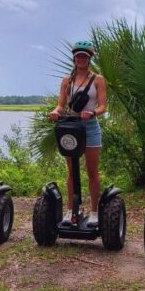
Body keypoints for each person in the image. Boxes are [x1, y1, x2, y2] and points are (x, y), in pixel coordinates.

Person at [48, 41, 108, 227]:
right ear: (74, 59)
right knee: (72, 171)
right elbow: (61, 104)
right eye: (78, 56)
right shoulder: (67, 81)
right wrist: (56, 111)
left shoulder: (98, 79)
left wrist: (93, 112)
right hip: (71, 126)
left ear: (89, 59)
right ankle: (71, 209)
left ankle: (94, 211)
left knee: (91, 171)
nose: (81, 59)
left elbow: (103, 106)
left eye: (85, 56)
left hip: (90, 127)